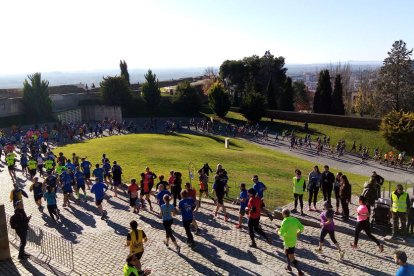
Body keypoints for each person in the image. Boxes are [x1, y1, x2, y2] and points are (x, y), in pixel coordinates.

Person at [278, 208, 304, 276]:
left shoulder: (284, 222)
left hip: (288, 242)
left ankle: (300, 272)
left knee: (292, 257)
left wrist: (277, 231)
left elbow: (281, 233)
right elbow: (302, 228)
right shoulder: (294, 219)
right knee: (286, 252)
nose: (281, 214)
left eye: (282, 213)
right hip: (293, 241)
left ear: (284, 214)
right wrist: (297, 233)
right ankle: (288, 266)